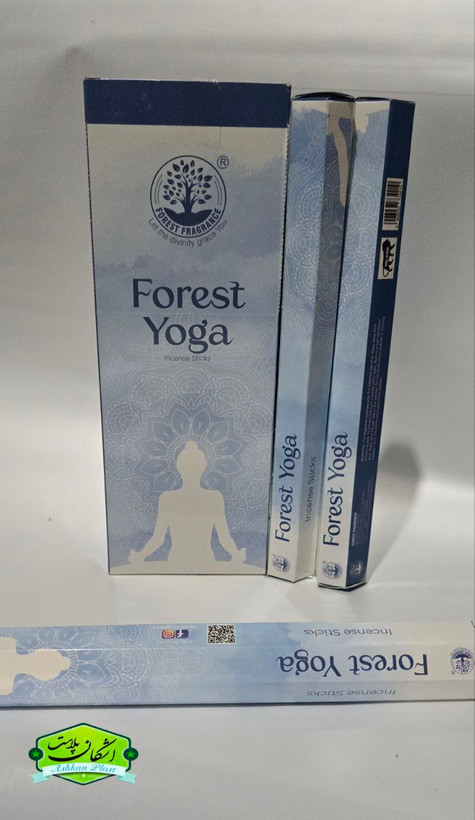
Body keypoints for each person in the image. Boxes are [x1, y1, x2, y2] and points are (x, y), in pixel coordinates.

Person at [128, 441, 246, 571]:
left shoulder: (167, 498)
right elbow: (224, 538)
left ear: (179, 467)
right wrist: (236, 554)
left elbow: (158, 539)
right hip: (205, 562)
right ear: (203, 467)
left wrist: (140, 556)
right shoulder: (214, 498)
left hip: (176, 562)